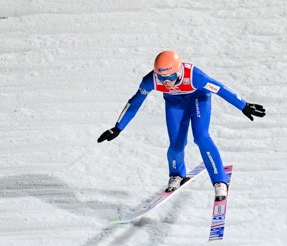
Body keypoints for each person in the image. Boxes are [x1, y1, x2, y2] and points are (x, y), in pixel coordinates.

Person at [98, 51, 266, 201]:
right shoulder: (150, 80)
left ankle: (219, 181)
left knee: (201, 137)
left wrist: (244, 105)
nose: (166, 83)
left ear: (178, 72)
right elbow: (135, 102)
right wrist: (118, 127)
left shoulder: (195, 76)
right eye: (161, 78)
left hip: (198, 99)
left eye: (170, 77)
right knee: (176, 145)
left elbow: (220, 89)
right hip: (175, 104)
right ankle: (176, 174)